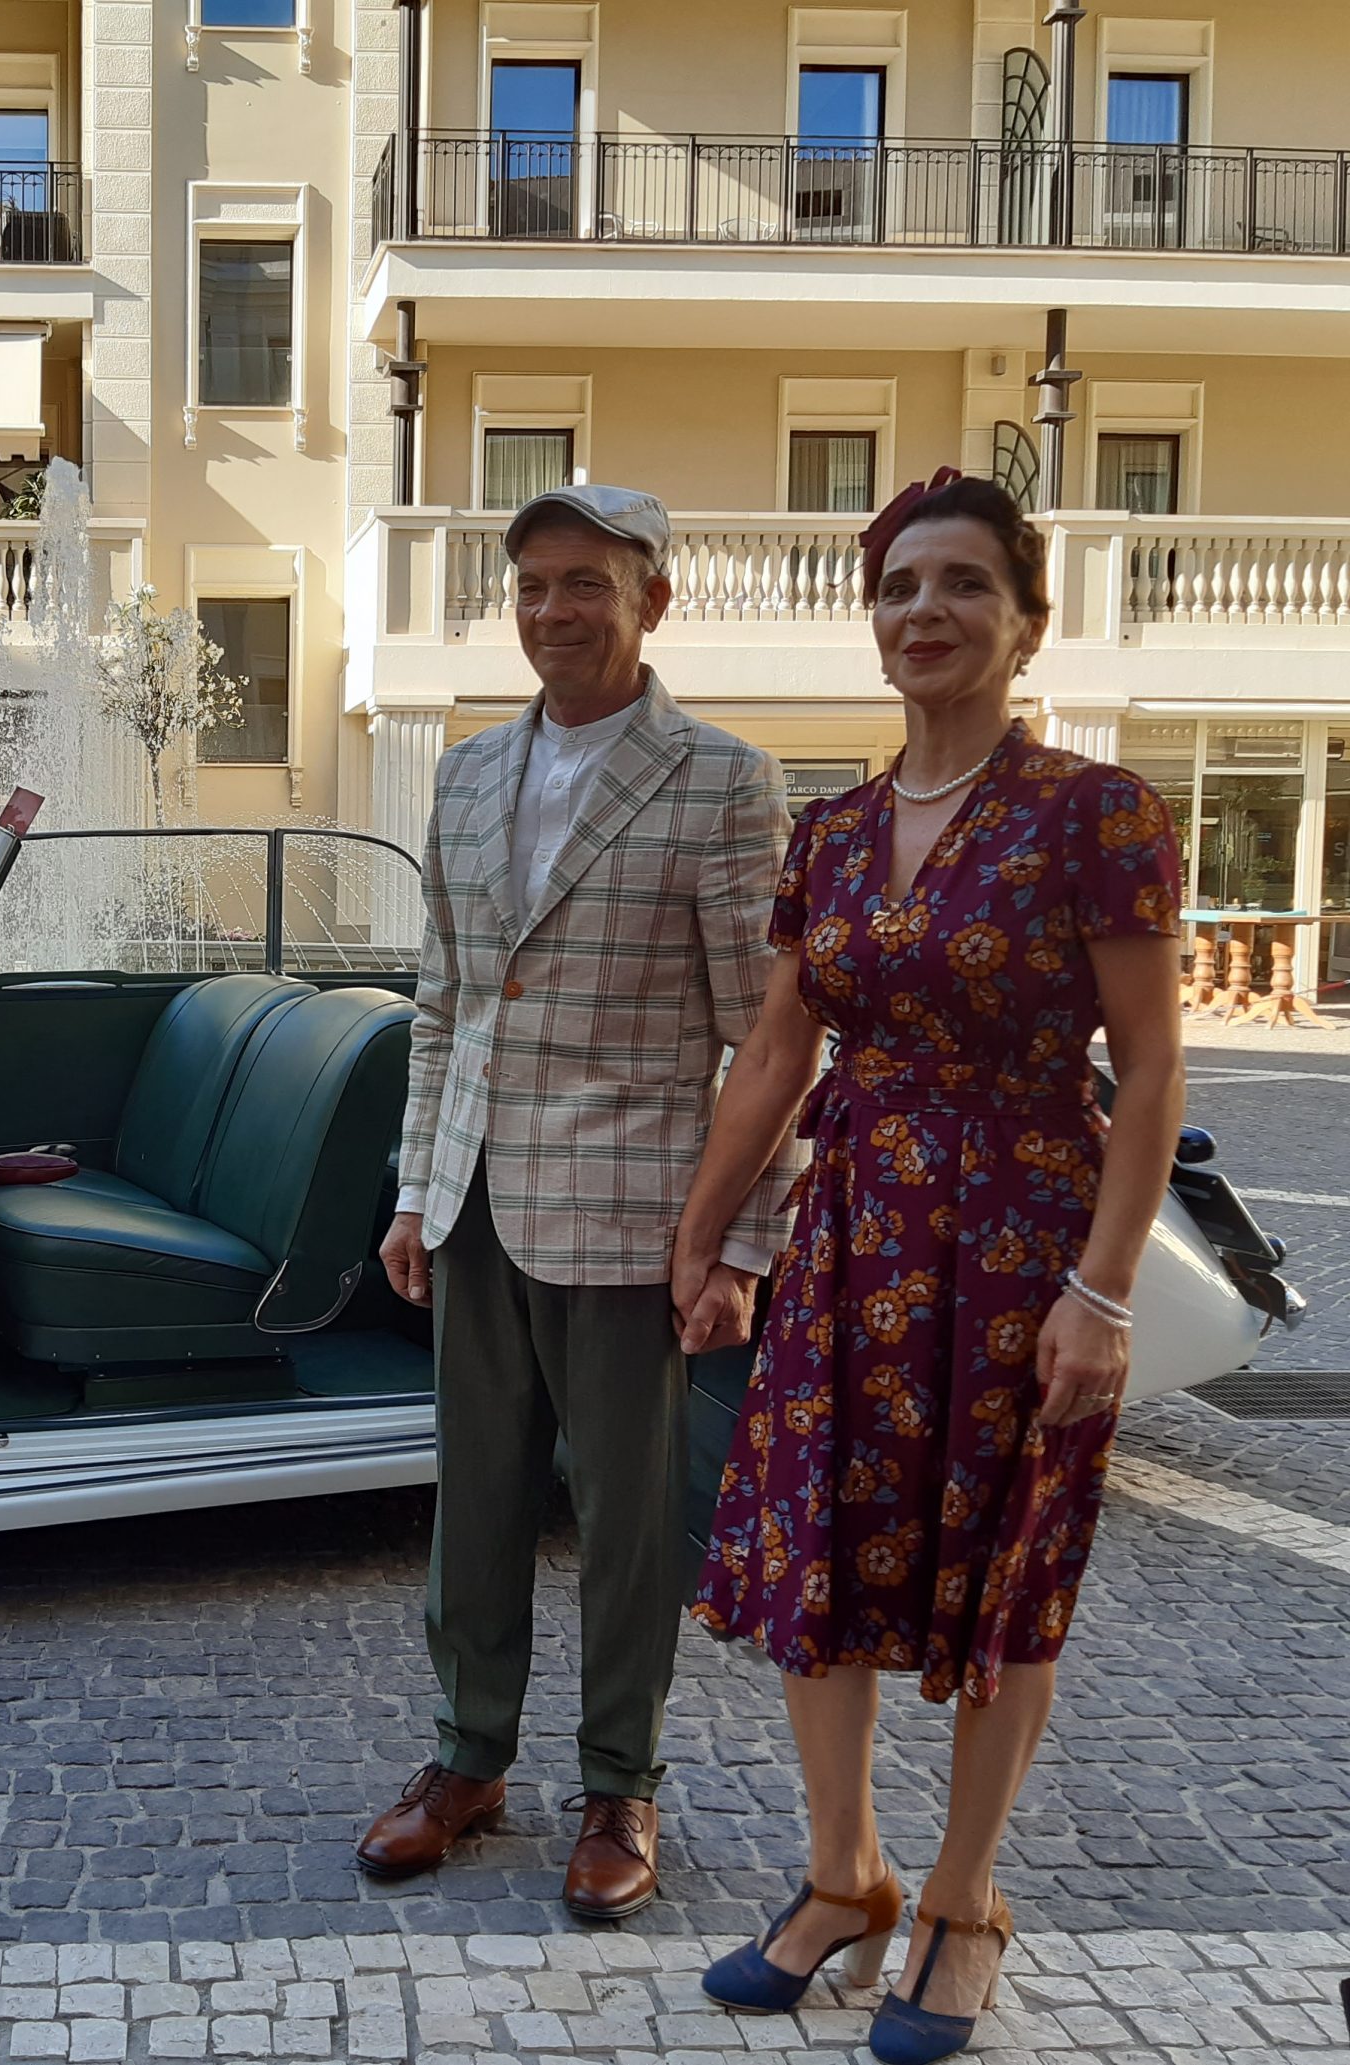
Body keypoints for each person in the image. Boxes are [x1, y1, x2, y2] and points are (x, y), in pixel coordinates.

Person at [684, 476, 1185, 2062]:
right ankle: (847, 1875)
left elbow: (1152, 1071)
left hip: (1029, 1242)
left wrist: (1103, 1293)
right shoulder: (828, 830)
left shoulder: (1097, 814)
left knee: (1006, 1567)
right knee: (816, 1549)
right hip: (850, 1239)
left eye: (966, 583)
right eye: (901, 585)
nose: (927, 611)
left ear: (1027, 622)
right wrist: (702, 1235)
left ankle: (964, 1902)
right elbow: (778, 1052)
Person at [355, 484, 798, 1919]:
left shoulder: (723, 781)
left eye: (588, 584)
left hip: (632, 1217)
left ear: (652, 599)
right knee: (475, 1502)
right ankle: (468, 1757)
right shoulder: (467, 774)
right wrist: (417, 1190)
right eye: (535, 584)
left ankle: (621, 1782)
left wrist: (739, 1242)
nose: (555, 610)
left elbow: (767, 1041)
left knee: (625, 1522)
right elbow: (444, 1008)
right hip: (475, 1202)